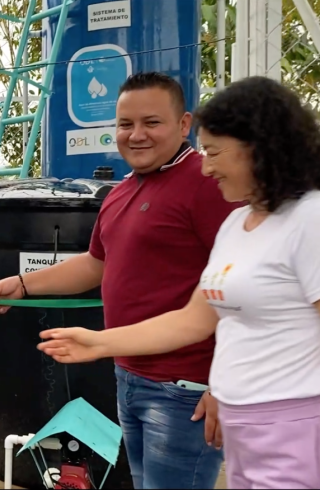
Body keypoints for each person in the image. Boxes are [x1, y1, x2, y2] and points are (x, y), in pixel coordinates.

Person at [37, 76, 320, 490]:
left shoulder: (308, 220)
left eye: (215, 152)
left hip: (290, 421)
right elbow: (192, 320)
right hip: (242, 421)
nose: (205, 166)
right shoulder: (239, 225)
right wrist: (97, 343)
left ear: (260, 148)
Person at [0, 72, 239, 489]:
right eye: (125, 124)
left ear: (184, 124)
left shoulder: (208, 185)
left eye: (152, 122)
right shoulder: (121, 192)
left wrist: (226, 384)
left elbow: (239, 294)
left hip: (183, 389)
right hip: (128, 377)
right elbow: (96, 263)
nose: (136, 135)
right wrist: (24, 284)